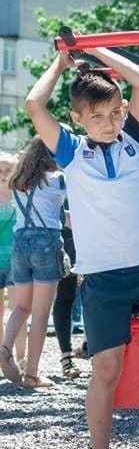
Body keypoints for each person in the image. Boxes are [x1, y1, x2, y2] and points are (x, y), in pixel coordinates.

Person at [24, 45, 139, 449]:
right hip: (102, 277)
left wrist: (95, 51)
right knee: (106, 367)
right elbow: (33, 104)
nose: (109, 122)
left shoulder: (137, 141)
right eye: (97, 116)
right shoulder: (70, 152)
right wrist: (62, 64)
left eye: (114, 113)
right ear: (79, 119)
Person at [0, 138, 66, 388]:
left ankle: (4, 350)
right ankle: (32, 374)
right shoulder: (58, 180)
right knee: (40, 313)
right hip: (45, 243)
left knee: (20, 307)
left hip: (20, 241)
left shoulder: (18, 182)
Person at [0, 151, 26, 372]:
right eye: (0, 169)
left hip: (17, 260)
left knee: (20, 308)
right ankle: (2, 355)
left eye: (8, 169)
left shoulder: (22, 197)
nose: (3, 174)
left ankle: (21, 358)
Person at [51, 214, 81, 379]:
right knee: (65, 295)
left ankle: (89, 349)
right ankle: (66, 357)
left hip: (90, 226)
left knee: (95, 293)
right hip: (67, 228)